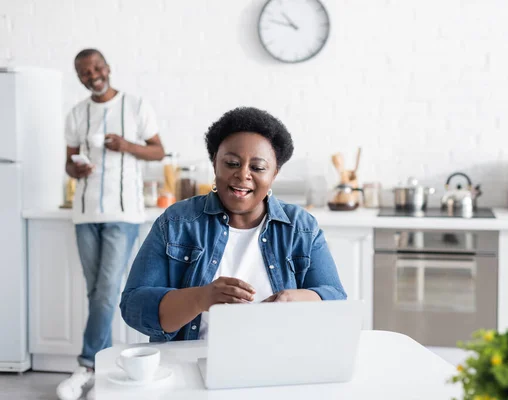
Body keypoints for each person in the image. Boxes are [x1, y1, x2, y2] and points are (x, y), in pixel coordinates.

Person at [120, 107, 346, 343]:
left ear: (274, 173)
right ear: (215, 163)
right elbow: (134, 305)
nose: (243, 175)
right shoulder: (177, 222)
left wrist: (293, 299)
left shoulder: (300, 227)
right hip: (191, 359)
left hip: (279, 360)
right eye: (231, 163)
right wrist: (200, 298)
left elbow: (335, 300)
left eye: (257, 168)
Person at [57, 49, 165, 400]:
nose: (93, 75)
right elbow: (68, 165)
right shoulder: (76, 113)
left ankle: (87, 365)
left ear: (108, 68)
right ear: (80, 77)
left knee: (106, 292)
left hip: (123, 214)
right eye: (84, 72)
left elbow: (158, 151)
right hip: (85, 213)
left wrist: (126, 145)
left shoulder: (135, 106)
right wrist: (77, 168)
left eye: (97, 68)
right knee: (96, 292)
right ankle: (103, 373)